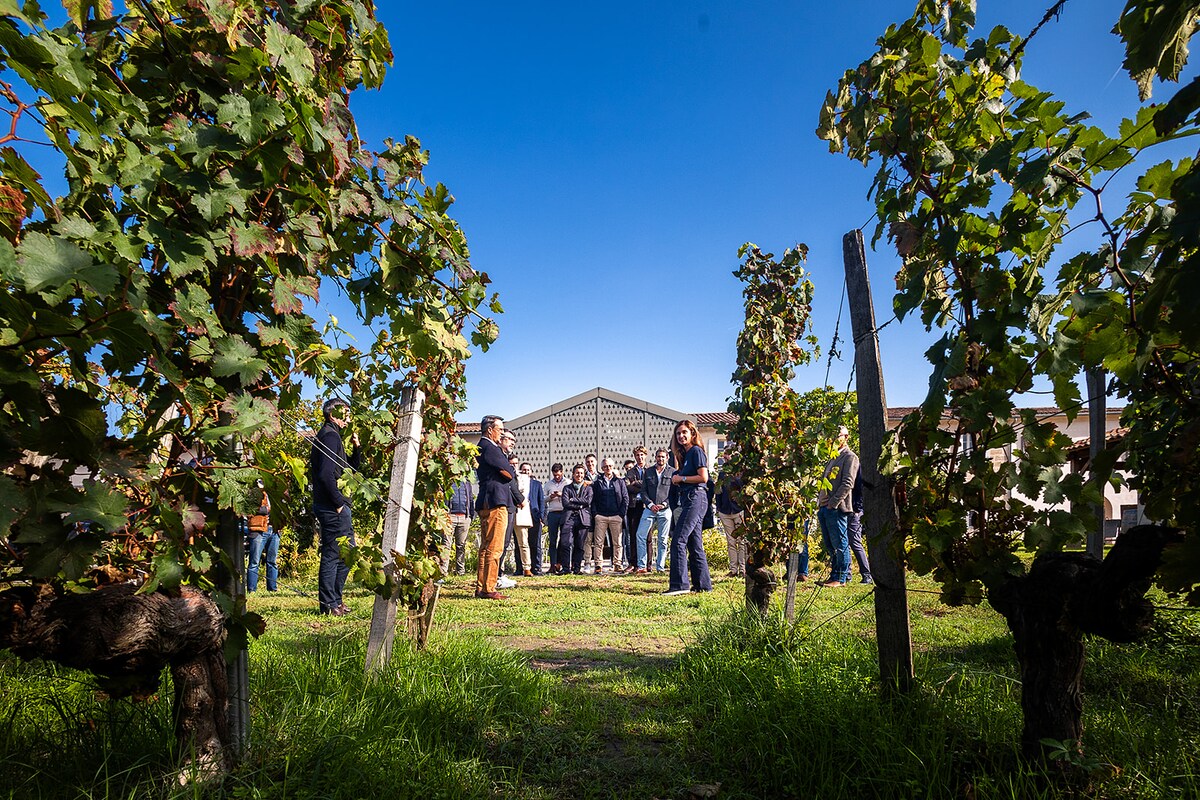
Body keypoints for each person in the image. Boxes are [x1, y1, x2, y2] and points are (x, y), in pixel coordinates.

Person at [309, 397, 362, 616]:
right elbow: (324, 474)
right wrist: (338, 503)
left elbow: (348, 470)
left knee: (347, 554)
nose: (349, 418)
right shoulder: (329, 436)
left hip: (334, 505)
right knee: (333, 554)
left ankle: (336, 601)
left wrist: (357, 449)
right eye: (346, 413)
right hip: (332, 506)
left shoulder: (332, 436)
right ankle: (329, 604)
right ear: (333, 415)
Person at [665, 419, 713, 595]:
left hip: (696, 498)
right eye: (678, 433)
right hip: (690, 499)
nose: (681, 436)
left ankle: (679, 585)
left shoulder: (695, 451)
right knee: (694, 544)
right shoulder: (685, 456)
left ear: (692, 433)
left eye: (684, 432)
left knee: (678, 540)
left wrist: (681, 479)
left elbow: (703, 478)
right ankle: (703, 585)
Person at [475, 415, 515, 600]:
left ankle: (481, 585)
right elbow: (509, 472)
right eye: (500, 430)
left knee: (485, 547)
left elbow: (507, 471)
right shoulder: (490, 447)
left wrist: (506, 471)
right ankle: (489, 588)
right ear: (490, 430)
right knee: (494, 547)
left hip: (485, 500)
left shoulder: (481, 447)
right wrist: (506, 471)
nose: (502, 433)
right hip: (495, 501)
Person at [817, 425, 859, 588]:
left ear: (846, 437)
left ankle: (841, 578)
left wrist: (833, 504)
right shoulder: (832, 457)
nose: (835, 439)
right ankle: (834, 575)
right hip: (824, 507)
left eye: (838, 436)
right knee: (830, 544)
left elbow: (848, 483)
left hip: (837, 508)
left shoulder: (850, 457)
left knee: (840, 544)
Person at [637, 447, 674, 573]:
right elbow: (643, 491)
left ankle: (660, 567)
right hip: (649, 509)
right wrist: (650, 504)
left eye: (663, 456)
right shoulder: (648, 471)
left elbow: (674, 493)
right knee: (640, 535)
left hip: (665, 510)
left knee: (662, 540)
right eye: (659, 456)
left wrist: (664, 504)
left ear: (667, 458)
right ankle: (642, 566)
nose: (661, 459)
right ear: (655, 457)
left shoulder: (673, 472)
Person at [589, 458, 628, 575]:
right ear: (602, 468)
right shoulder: (597, 483)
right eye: (605, 466)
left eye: (610, 466)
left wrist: (621, 514)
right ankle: (598, 565)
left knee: (618, 542)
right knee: (599, 542)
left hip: (616, 516)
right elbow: (593, 500)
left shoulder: (619, 481)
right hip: (601, 516)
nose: (608, 468)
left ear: (613, 467)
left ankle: (617, 564)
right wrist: (595, 514)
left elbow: (625, 498)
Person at [558, 464, 593, 574]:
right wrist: (580, 505)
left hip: (583, 519)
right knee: (565, 543)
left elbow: (588, 502)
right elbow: (565, 503)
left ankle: (577, 568)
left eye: (581, 473)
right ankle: (565, 568)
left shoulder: (589, 488)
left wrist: (573, 499)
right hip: (569, 518)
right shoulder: (567, 488)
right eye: (577, 473)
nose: (579, 475)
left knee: (579, 545)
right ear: (573, 474)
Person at [246, 479, 279, 592]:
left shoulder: (275, 491)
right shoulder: (253, 490)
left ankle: (272, 589)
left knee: (272, 561)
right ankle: (251, 589)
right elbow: (248, 508)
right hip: (258, 529)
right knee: (254, 562)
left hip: (274, 529)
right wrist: (266, 510)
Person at [715, 464, 747, 579]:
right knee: (731, 541)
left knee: (742, 541)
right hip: (725, 511)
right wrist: (718, 508)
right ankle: (733, 570)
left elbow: (743, 488)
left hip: (739, 510)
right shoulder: (722, 474)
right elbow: (718, 491)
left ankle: (743, 569)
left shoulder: (741, 472)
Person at [517, 462, 546, 576]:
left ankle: (536, 568)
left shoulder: (536, 484)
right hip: (520, 515)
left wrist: (542, 517)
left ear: (531, 471)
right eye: (524, 470)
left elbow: (541, 501)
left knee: (535, 543)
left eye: (528, 470)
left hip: (534, 515)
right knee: (521, 543)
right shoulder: (517, 483)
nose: (526, 472)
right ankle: (520, 568)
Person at [623, 448, 648, 574]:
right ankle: (633, 563)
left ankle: (647, 564)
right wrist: (643, 487)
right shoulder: (630, 472)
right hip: (634, 505)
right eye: (637, 455)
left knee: (647, 536)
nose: (640, 457)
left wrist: (637, 483)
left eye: (642, 455)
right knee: (633, 534)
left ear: (645, 456)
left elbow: (651, 485)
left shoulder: (650, 470)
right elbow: (627, 486)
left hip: (647, 505)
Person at [847, 467, 873, 584]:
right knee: (845, 543)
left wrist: (857, 508)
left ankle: (867, 574)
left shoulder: (857, 467)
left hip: (855, 510)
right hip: (846, 509)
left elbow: (860, 489)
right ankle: (847, 574)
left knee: (855, 542)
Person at [446, 479, 475, 576]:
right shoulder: (448, 479)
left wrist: (471, 515)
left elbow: (470, 498)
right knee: (446, 545)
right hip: (450, 517)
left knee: (461, 546)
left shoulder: (466, 482)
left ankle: (461, 571)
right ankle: (443, 572)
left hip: (464, 517)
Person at [543, 463, 568, 573]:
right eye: (555, 475)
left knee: (564, 540)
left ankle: (561, 563)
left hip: (564, 512)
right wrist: (550, 497)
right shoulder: (548, 484)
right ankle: (553, 564)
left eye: (558, 474)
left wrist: (562, 494)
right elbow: (543, 499)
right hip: (553, 513)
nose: (557, 477)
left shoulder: (567, 483)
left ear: (562, 472)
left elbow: (571, 496)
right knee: (552, 540)